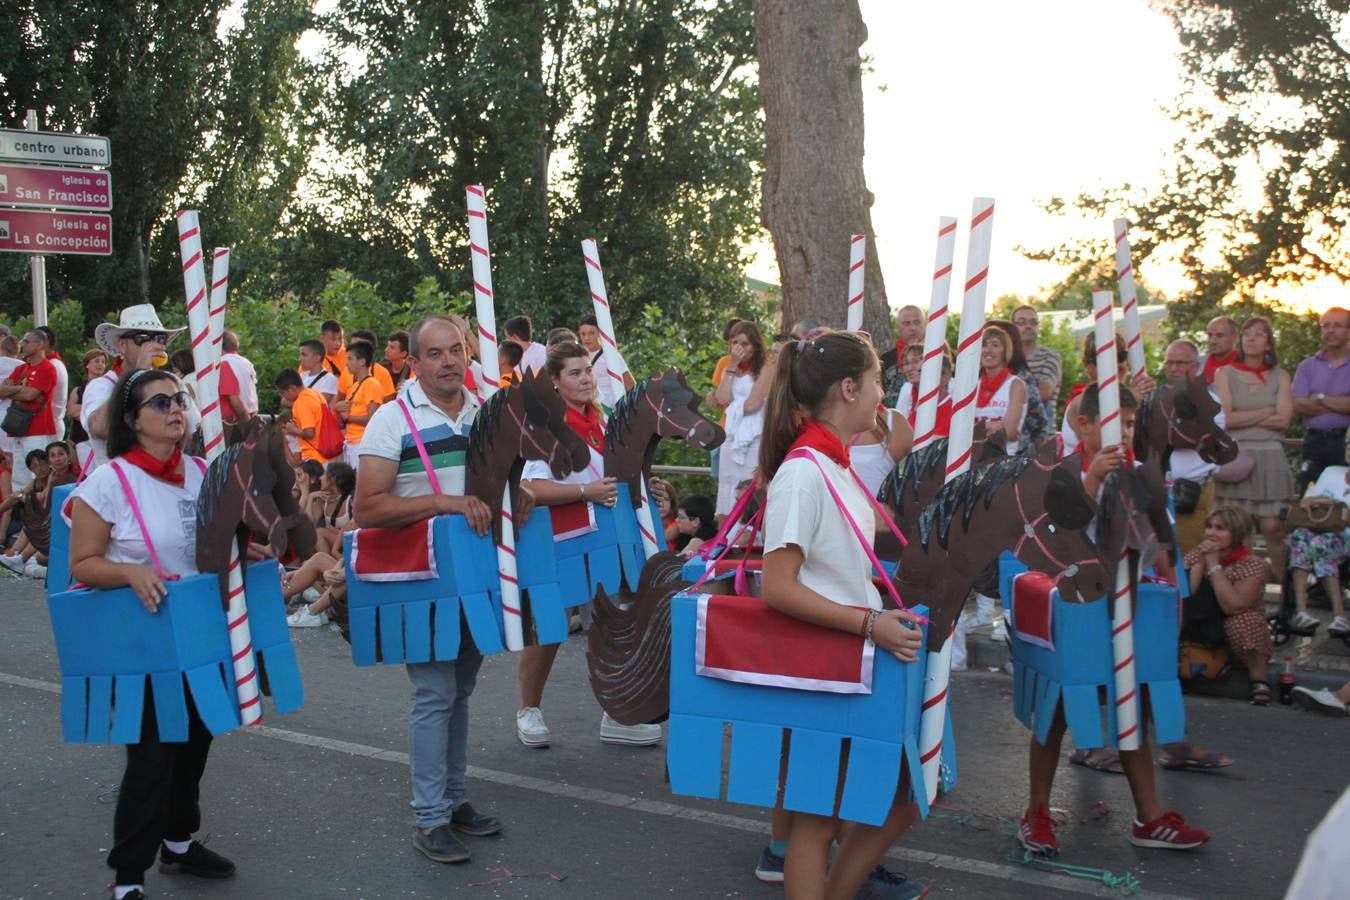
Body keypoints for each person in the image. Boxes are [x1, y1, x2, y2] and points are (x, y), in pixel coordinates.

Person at [756, 330, 927, 899]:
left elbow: (840, 561)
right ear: (850, 388)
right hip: (827, 664)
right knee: (819, 818)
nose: (884, 393)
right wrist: (868, 622)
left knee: (901, 791)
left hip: (854, 662)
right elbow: (777, 587)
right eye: (879, 381)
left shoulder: (836, 463)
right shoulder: (803, 470)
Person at [1020, 383, 1209, 857]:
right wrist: (1091, 483)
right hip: (1080, 609)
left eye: (1129, 423)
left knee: (1134, 707)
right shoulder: (1061, 472)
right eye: (1114, 422)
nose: (1123, 432)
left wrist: (1173, 597)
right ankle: (1037, 810)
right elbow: (1056, 532)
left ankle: (1149, 817)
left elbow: (1161, 543)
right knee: (1058, 711)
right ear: (1083, 424)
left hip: (1131, 606)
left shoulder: (1142, 474)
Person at [67, 368, 234, 899]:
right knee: (153, 755)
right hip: (140, 640)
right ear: (131, 420)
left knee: (195, 743)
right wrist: (129, 572)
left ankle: (179, 844)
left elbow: (211, 548)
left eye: (179, 399)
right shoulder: (109, 482)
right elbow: (84, 563)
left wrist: (242, 550)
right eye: (159, 402)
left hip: (199, 633)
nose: (175, 409)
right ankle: (128, 878)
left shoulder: (203, 472)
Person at [355, 316, 511, 865]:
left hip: (474, 577)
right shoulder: (389, 420)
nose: (448, 362)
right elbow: (366, 507)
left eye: (455, 352)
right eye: (435, 354)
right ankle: (430, 817)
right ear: (414, 364)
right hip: (419, 580)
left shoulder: (485, 412)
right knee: (435, 694)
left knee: (460, 692)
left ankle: (454, 800)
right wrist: (444, 504)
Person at [515, 340, 662, 749]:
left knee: (611, 627)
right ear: (556, 382)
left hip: (604, 541)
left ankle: (617, 713)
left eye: (587, 370)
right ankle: (529, 709)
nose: (586, 378)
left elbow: (613, 476)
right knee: (549, 628)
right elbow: (530, 487)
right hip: (559, 541)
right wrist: (585, 491)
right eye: (575, 373)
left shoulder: (603, 419)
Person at [1212, 316, 1294, 583]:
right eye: (1247, 333)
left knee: (1273, 528)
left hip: (1271, 456)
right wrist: (1266, 411)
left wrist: (1245, 416)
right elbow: (1226, 418)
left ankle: (1285, 593)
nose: (1251, 338)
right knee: (1240, 529)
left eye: (1259, 334)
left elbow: (1284, 420)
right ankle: (1243, 591)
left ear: (1269, 342)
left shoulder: (1281, 376)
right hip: (1239, 457)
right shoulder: (1224, 374)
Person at [1182, 507, 1274, 704]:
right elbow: (1185, 594)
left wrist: (1214, 565)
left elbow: (1232, 606)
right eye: (1209, 527)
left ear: (1236, 534)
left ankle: (1259, 680)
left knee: (1244, 620)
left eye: (1220, 528)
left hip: (1232, 629)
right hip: (1200, 624)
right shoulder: (1197, 554)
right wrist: (1200, 563)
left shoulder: (1251, 564)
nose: (1212, 533)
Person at [83, 305, 187, 474]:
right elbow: (100, 428)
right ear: (122, 345)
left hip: (167, 482)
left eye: (159, 338)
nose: (152, 344)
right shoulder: (101, 385)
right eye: (143, 338)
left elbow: (190, 433)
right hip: (121, 487)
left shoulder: (173, 383)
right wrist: (137, 374)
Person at [1161, 340, 1227, 554]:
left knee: (1190, 560)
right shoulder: (1156, 399)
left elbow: (1188, 439)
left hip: (1190, 494)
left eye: (1180, 363)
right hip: (1158, 493)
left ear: (1195, 366)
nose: (1173, 368)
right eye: (1169, 362)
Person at [1286, 440, 1348, 637]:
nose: (1348, 449)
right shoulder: (1331, 472)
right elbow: (1308, 499)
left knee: (1320, 543)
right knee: (1300, 535)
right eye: (1347, 446)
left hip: (1344, 536)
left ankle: (1339, 616)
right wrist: (1312, 502)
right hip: (1319, 529)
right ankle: (1302, 611)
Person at [713, 321, 771, 517]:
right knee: (728, 484)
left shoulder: (765, 368)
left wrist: (733, 408)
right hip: (731, 433)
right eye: (735, 342)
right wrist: (731, 366)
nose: (739, 348)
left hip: (755, 435)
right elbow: (722, 398)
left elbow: (753, 404)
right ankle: (726, 534)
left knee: (749, 484)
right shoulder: (728, 367)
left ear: (755, 346)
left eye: (745, 344)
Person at [1290, 307, 1349, 492]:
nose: (1330, 330)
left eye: (1337, 325)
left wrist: (1320, 398)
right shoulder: (1307, 366)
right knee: (1309, 496)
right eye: (1326, 326)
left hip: (1346, 444)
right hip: (1314, 443)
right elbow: (1298, 404)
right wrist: (1340, 404)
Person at [0, 330, 60, 493]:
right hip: (18, 428)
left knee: (39, 473)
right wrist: (21, 388)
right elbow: (2, 390)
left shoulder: (48, 368)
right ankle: (23, 514)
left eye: (26, 341)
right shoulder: (22, 368)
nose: (22, 345)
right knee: (19, 476)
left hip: (38, 429)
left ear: (39, 344)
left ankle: (40, 513)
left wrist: (14, 389)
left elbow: (31, 394)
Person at [974, 324, 1028, 454]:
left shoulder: (1016, 385)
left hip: (1003, 461)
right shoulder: (972, 386)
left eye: (995, 345)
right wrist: (997, 425)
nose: (988, 350)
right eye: (984, 345)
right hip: (972, 460)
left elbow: (1009, 433)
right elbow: (958, 429)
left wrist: (976, 429)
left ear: (1005, 351)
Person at [850, 403, 913, 498]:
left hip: (883, 510)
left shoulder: (894, 422)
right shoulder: (823, 427)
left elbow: (922, 477)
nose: (881, 392)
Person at [337, 341, 383, 468]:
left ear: (362, 361)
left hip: (363, 442)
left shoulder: (372, 384)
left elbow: (371, 418)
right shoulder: (354, 386)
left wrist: (348, 417)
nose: (346, 363)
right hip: (351, 442)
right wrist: (339, 409)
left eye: (350, 359)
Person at [1013, 305, 1061, 426]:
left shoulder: (1050, 357)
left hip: (1042, 436)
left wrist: (1006, 390)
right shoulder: (1006, 357)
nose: (1028, 326)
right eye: (1022, 322)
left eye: (1033, 322)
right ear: (1012, 327)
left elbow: (1045, 392)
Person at [276, 368, 335, 464]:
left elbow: (309, 433)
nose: (283, 397)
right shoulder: (314, 393)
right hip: (325, 452)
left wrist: (292, 430)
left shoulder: (302, 402)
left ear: (292, 388)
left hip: (314, 456)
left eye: (282, 392)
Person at [880, 305, 924, 407]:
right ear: (898, 327)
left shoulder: (937, 356)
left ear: (925, 324)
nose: (912, 328)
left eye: (917, 322)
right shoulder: (886, 359)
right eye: (907, 323)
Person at [215, 330, 259, 427]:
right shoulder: (246, 362)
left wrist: (248, 425)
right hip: (251, 416)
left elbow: (235, 400)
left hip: (233, 423)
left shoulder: (222, 364)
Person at [67, 348, 108, 450]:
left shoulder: (108, 388)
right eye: (96, 361)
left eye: (103, 362)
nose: (100, 364)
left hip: (100, 440)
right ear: (87, 364)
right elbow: (71, 411)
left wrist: (82, 411)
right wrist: (95, 410)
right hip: (79, 438)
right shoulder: (78, 390)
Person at [349, 329, 397, 400]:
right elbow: (339, 400)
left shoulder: (382, 373)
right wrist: (339, 405)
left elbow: (389, 403)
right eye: (351, 346)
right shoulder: (346, 371)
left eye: (356, 346)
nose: (351, 350)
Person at [319, 319, 353, 401]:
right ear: (322, 339)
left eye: (340, 339)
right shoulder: (313, 359)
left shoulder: (349, 355)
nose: (338, 343)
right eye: (333, 339)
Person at [298, 339, 339, 407]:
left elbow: (318, 404)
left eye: (304, 355)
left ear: (317, 357)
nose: (299, 359)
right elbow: (284, 401)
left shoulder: (329, 379)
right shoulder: (302, 376)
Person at [1201, 315, 1239, 384]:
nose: (1213, 341)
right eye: (1210, 335)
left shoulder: (1246, 365)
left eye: (1219, 336)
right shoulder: (1197, 364)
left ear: (1235, 337)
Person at [891, 344, 922, 420]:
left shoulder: (949, 388)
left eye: (916, 362)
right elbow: (900, 422)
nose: (910, 368)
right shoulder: (907, 389)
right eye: (906, 364)